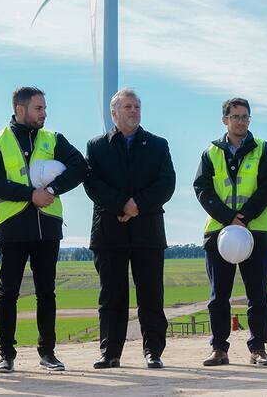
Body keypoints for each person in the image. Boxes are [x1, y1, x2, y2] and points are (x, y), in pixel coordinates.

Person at [0, 87, 86, 373]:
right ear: (20, 109)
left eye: (44, 108)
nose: (44, 113)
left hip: (48, 227)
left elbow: (80, 167)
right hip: (12, 227)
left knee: (47, 292)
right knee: (9, 293)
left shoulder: (53, 139)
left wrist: (52, 189)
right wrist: (31, 194)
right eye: (38, 108)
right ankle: (6, 354)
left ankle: (48, 353)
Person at [84, 87, 176, 369]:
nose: (134, 111)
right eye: (127, 107)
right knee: (112, 296)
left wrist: (137, 205)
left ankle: (153, 352)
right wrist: (122, 204)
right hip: (109, 231)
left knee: (150, 294)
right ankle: (110, 352)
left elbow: (166, 183)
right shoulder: (96, 146)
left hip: (147, 230)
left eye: (137, 106)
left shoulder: (158, 145)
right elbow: (93, 184)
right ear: (114, 113)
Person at [193, 98, 267, 367]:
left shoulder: (263, 149)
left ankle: (258, 348)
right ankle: (219, 348)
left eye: (245, 117)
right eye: (236, 116)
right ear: (225, 120)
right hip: (219, 233)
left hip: (256, 232)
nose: (241, 121)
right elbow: (202, 189)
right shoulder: (210, 153)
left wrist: (244, 217)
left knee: (258, 295)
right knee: (219, 296)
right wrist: (228, 218)